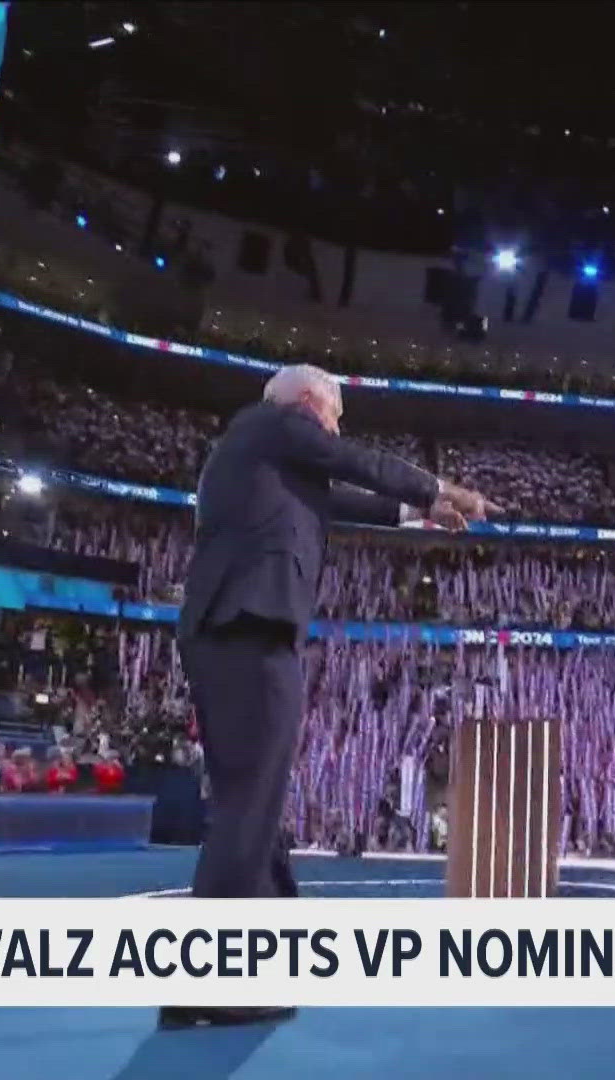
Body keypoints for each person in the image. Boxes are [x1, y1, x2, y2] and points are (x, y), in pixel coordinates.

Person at [162, 365, 495, 1032]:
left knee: (252, 803)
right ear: (313, 403)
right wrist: (437, 485)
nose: (338, 429)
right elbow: (348, 461)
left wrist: (418, 510)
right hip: (246, 628)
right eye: (337, 416)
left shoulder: (268, 459)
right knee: (249, 804)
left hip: (241, 631)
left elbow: (338, 498)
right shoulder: (273, 424)